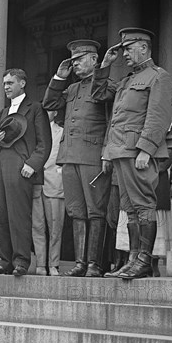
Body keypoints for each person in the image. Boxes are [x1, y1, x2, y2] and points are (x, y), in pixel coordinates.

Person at [93, 27, 172, 279]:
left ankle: (144, 260)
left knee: (143, 206)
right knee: (129, 209)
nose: (125, 54)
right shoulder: (127, 81)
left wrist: (146, 150)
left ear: (144, 47)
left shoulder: (158, 77)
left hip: (136, 151)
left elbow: (158, 117)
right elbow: (102, 101)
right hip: (119, 152)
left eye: (128, 48)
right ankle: (132, 259)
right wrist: (105, 66)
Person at [42, 40, 113, 277]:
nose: (75, 65)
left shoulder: (105, 85)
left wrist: (107, 153)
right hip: (70, 156)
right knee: (76, 211)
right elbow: (50, 103)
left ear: (94, 60)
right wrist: (60, 77)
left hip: (93, 156)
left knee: (95, 210)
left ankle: (95, 263)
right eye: (73, 61)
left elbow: (110, 117)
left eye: (80, 60)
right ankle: (81, 262)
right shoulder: (71, 89)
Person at [0, 68, 51, 277]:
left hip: (22, 169)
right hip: (0, 168)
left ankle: (21, 261)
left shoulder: (36, 108)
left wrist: (32, 164)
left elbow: (44, 143)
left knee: (19, 216)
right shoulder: (3, 112)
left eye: (10, 83)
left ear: (22, 84)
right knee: (1, 216)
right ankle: (5, 260)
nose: (6, 87)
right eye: (4, 84)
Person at [31, 110, 64, 276]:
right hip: (36, 183)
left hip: (55, 183)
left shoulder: (62, 132)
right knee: (37, 226)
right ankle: (40, 264)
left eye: (49, 110)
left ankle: (53, 264)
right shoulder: (33, 132)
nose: (44, 113)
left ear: (56, 112)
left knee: (55, 226)